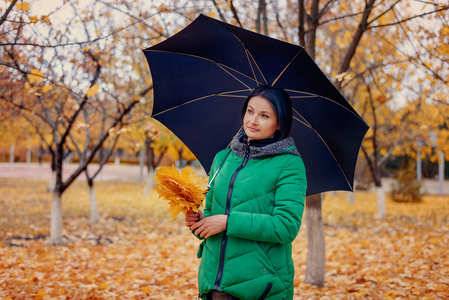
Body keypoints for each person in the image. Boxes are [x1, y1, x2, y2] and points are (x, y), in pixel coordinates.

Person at [185, 85, 307, 300]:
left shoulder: (290, 164)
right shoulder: (222, 158)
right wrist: (200, 222)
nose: (252, 121)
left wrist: (227, 222)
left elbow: (286, 227)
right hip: (214, 282)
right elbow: (213, 215)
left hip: (260, 286)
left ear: (279, 123)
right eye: (250, 111)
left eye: (264, 115)